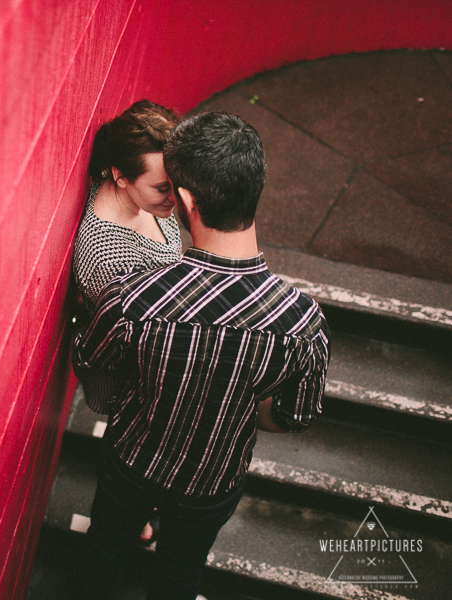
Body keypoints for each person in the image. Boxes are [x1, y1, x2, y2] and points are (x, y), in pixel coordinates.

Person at [70, 111, 330, 600]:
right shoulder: (302, 325)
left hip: (132, 460)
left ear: (186, 199)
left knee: (103, 551)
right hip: (213, 479)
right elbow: (293, 416)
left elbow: (96, 357)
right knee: (179, 576)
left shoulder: (133, 299)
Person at [72, 99, 183, 546]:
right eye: (163, 189)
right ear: (119, 175)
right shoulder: (109, 255)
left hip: (157, 352)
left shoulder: (147, 201)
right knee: (132, 451)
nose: (175, 199)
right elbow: (129, 344)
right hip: (133, 376)